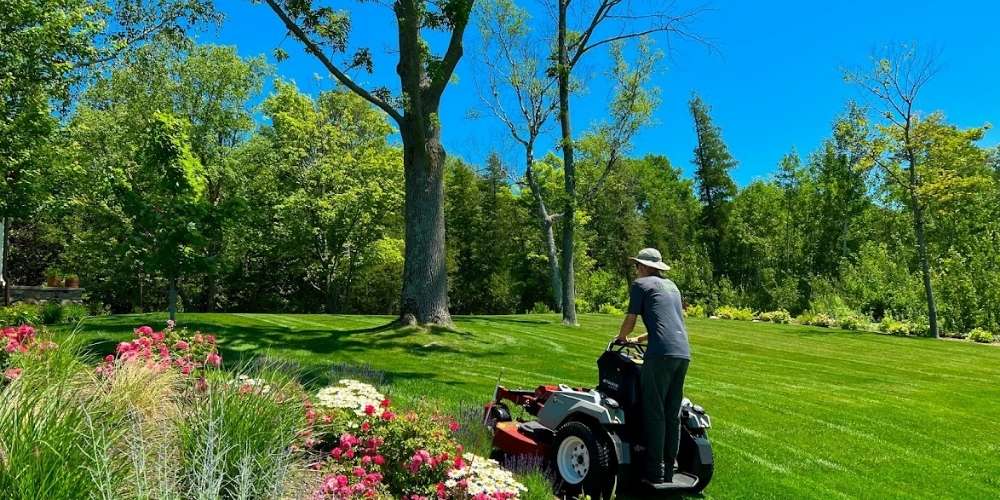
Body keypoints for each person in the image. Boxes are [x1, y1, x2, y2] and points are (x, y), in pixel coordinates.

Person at [615, 247, 691, 486]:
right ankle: (671, 468)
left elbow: (631, 317)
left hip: (659, 356)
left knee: (655, 412)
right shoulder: (673, 287)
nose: (636, 270)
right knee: (672, 413)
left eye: (637, 266)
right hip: (682, 354)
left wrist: (621, 338)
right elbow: (666, 324)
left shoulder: (641, 285)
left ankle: (654, 470)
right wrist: (638, 340)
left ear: (646, 267)